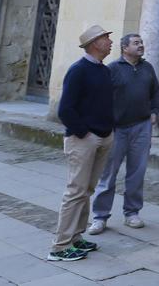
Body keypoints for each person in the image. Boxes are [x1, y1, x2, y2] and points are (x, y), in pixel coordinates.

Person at [48, 25, 116, 262]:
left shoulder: (103, 71)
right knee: (76, 191)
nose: (110, 41)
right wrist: (84, 133)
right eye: (106, 38)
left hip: (103, 136)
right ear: (94, 43)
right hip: (83, 139)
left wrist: (109, 131)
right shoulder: (78, 70)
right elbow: (65, 109)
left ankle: (76, 237)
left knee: (87, 189)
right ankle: (59, 246)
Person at [87, 33, 159, 234]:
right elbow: (100, 97)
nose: (141, 46)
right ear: (124, 48)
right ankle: (100, 217)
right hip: (116, 129)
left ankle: (132, 213)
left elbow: (156, 92)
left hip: (141, 127)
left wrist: (154, 111)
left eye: (142, 43)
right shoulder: (112, 69)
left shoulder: (147, 68)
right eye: (136, 43)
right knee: (108, 174)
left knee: (137, 172)